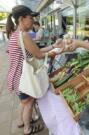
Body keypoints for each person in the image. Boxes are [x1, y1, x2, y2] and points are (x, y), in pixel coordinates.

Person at [6, 5, 62, 135]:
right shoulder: (24, 35)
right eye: (30, 18)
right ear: (22, 19)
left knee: (23, 102)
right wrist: (55, 51)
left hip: (15, 76)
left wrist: (53, 46)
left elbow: (36, 51)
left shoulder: (15, 34)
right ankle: (27, 128)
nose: (32, 21)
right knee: (29, 104)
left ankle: (21, 121)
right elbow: (39, 55)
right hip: (23, 77)